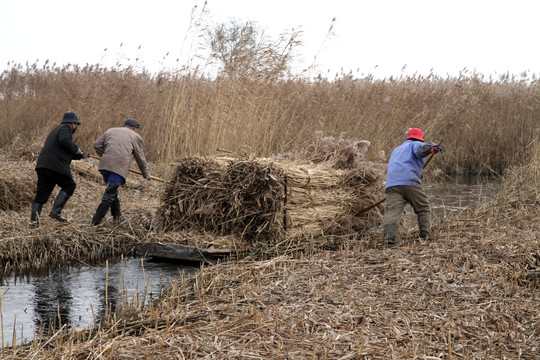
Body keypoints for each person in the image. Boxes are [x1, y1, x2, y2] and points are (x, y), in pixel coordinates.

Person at [383, 128, 442, 245]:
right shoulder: (415, 145)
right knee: (423, 208)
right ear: (420, 138)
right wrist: (433, 148)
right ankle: (425, 236)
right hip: (410, 182)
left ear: (406, 137)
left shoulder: (396, 149)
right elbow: (421, 149)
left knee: (392, 212)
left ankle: (388, 238)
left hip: (392, 184)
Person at [31, 112, 89, 227]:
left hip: (43, 166)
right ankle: (56, 212)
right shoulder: (65, 128)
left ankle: (33, 223)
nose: (76, 127)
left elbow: (65, 149)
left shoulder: (55, 131)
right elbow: (65, 142)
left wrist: (81, 155)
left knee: (41, 196)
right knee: (69, 186)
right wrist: (77, 149)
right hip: (55, 166)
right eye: (76, 124)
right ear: (72, 123)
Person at [91, 118, 151, 225]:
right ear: (134, 128)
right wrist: (145, 173)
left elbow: (97, 145)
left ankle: (117, 218)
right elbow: (140, 157)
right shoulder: (135, 136)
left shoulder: (110, 130)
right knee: (109, 194)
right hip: (118, 168)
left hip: (105, 166)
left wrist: (105, 156)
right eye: (136, 129)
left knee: (112, 191)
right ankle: (96, 221)